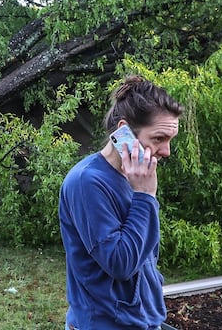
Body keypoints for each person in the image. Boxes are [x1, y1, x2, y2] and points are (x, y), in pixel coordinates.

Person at [59, 75, 184, 330]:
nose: (167, 151)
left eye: (170, 140)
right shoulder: (87, 182)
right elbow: (120, 264)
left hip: (142, 320)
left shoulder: (135, 175)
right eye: (159, 138)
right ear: (123, 131)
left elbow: (147, 253)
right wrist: (145, 197)